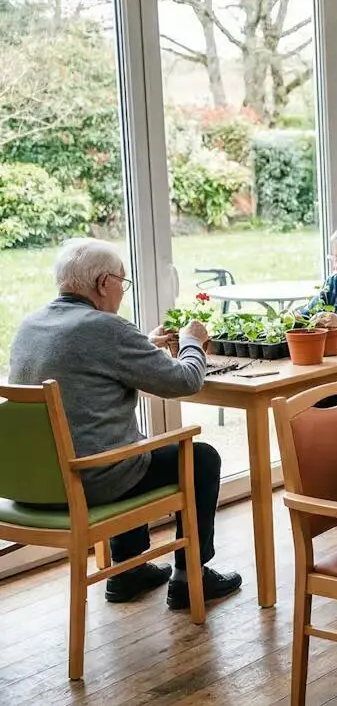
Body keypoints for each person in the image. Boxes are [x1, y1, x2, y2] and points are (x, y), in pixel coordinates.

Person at [8, 238, 242, 609]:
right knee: (200, 458)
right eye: (122, 281)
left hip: (33, 484)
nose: (122, 290)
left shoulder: (30, 325)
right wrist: (192, 342)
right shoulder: (107, 328)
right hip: (89, 483)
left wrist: (142, 346)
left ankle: (127, 571)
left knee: (128, 445)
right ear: (104, 284)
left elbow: (86, 374)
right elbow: (185, 381)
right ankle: (189, 577)